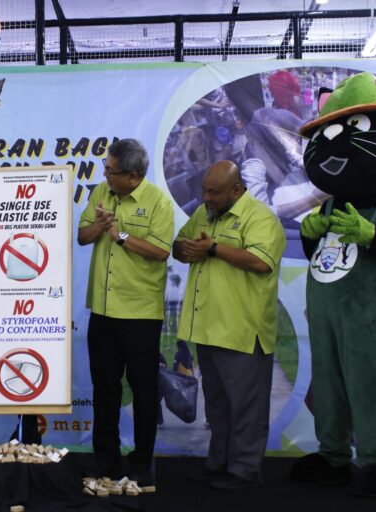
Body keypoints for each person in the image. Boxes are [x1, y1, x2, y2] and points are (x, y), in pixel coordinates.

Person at [173, 160, 286, 490]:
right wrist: (187, 249)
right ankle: (218, 463)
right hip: (207, 327)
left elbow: (261, 262)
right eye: (204, 190)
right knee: (218, 405)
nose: (206, 197)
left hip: (241, 328)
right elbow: (180, 245)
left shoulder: (260, 217)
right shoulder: (205, 214)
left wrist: (212, 248)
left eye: (214, 192)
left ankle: (245, 470)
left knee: (246, 406)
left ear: (237, 190)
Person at [77, 138, 175, 485]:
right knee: (104, 387)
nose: (105, 175)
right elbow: (83, 236)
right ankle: (106, 457)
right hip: (103, 311)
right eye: (105, 169)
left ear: (133, 176)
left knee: (143, 389)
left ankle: (142, 461)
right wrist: (100, 226)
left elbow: (161, 251)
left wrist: (120, 236)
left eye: (111, 171)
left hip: (140, 313)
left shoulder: (158, 202)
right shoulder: (101, 192)